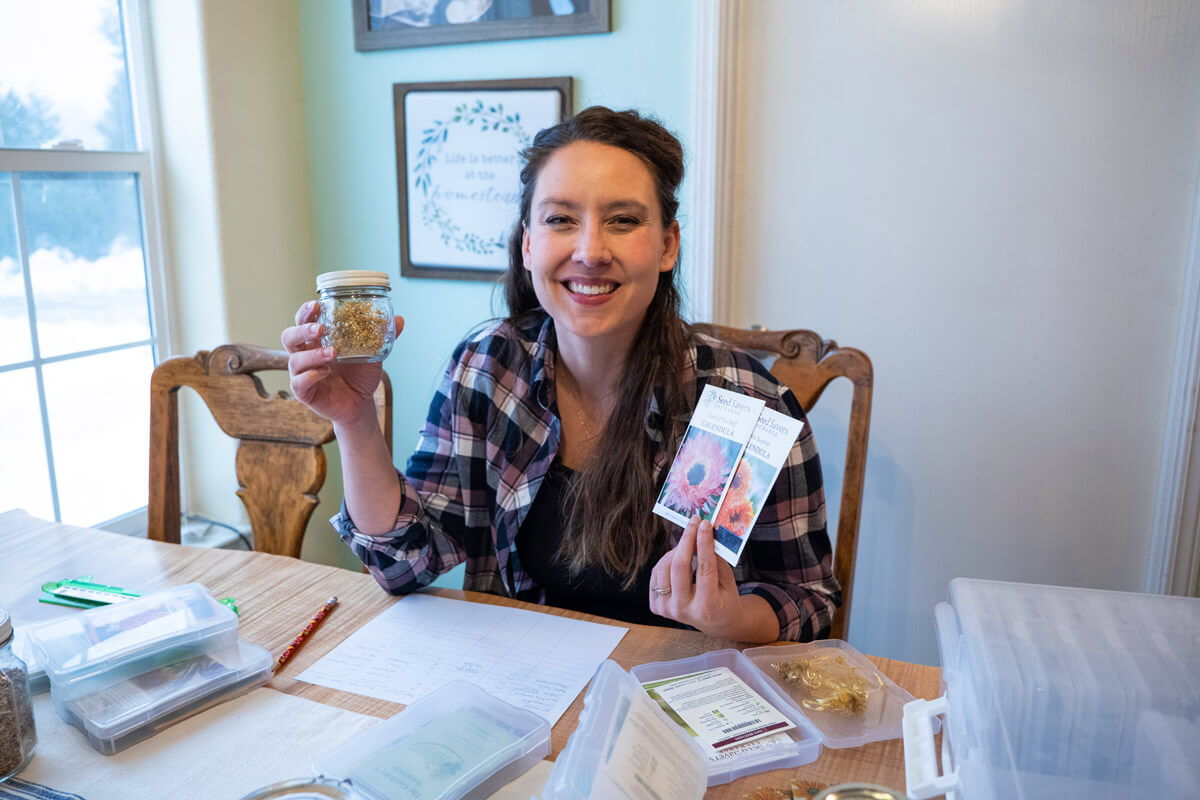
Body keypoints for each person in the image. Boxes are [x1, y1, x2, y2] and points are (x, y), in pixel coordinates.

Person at [282, 107, 840, 642]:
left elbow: (808, 598)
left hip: (683, 693)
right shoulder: (487, 368)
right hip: (524, 690)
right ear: (528, 244)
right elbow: (406, 563)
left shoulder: (746, 403)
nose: (590, 251)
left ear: (668, 245)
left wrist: (731, 616)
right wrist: (355, 420)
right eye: (561, 220)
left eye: (623, 220)